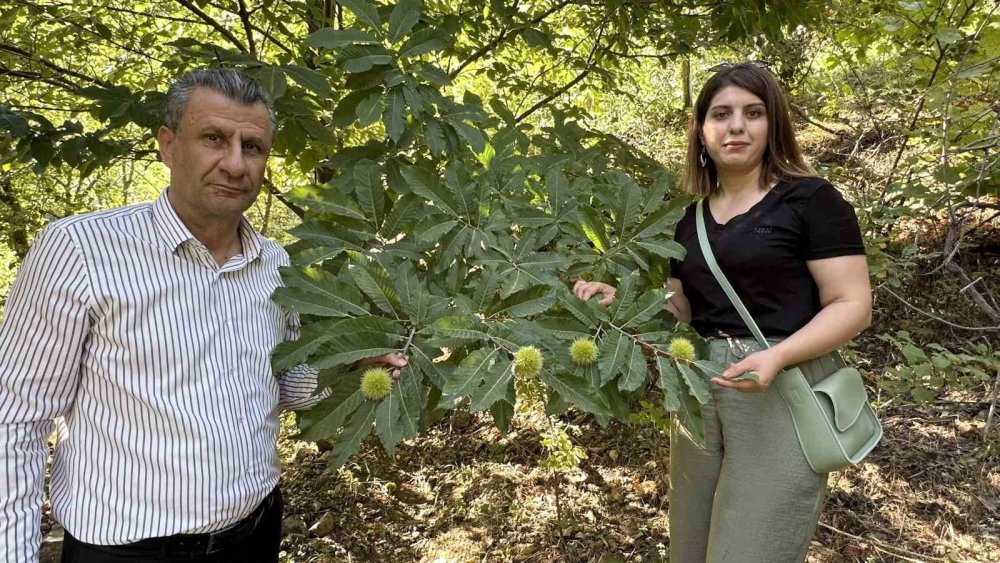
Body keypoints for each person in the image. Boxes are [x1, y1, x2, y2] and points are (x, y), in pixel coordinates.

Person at [0, 68, 406, 562]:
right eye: (214, 138)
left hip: (254, 529)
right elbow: (14, 422)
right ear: (168, 146)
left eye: (252, 147)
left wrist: (352, 365)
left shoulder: (278, 265)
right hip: (129, 550)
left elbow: (286, 383)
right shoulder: (79, 250)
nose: (235, 164)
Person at [573, 62, 872, 562]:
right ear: (702, 131)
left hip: (780, 387)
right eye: (721, 114)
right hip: (700, 388)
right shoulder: (686, 221)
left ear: (773, 124)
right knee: (690, 545)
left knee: (753, 548)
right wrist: (620, 299)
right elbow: (683, 312)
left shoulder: (811, 200)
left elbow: (853, 305)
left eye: (753, 113)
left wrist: (778, 357)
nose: (736, 126)